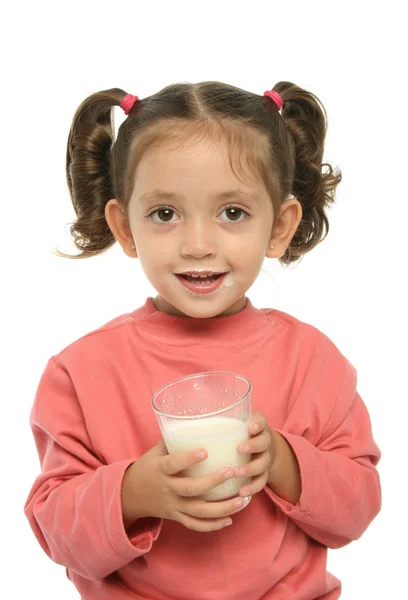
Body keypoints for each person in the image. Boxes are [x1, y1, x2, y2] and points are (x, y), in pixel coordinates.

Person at [24, 81, 382, 600]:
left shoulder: (312, 362)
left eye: (232, 213)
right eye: (164, 214)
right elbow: (54, 530)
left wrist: (285, 462)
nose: (197, 245)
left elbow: (358, 509)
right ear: (125, 228)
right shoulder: (81, 373)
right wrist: (132, 493)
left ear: (279, 227)